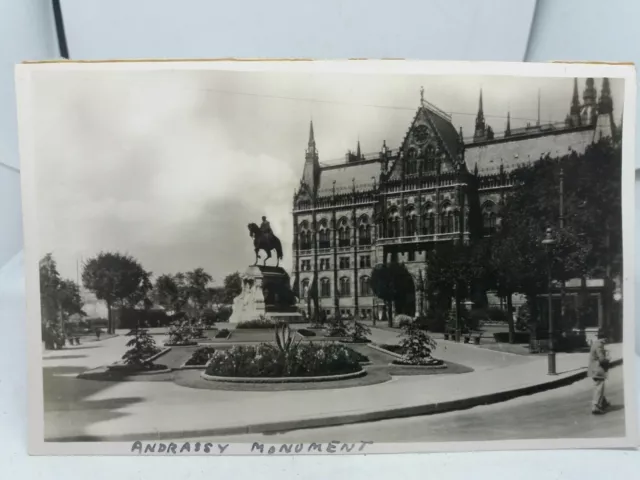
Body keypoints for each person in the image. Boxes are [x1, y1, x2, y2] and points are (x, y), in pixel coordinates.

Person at [588, 328, 611, 414]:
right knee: (599, 387)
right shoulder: (599, 345)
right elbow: (601, 359)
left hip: (594, 368)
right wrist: (608, 359)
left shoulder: (595, 343)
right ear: (604, 338)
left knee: (598, 386)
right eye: (606, 338)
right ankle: (596, 406)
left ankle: (603, 402)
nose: (606, 340)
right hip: (598, 369)